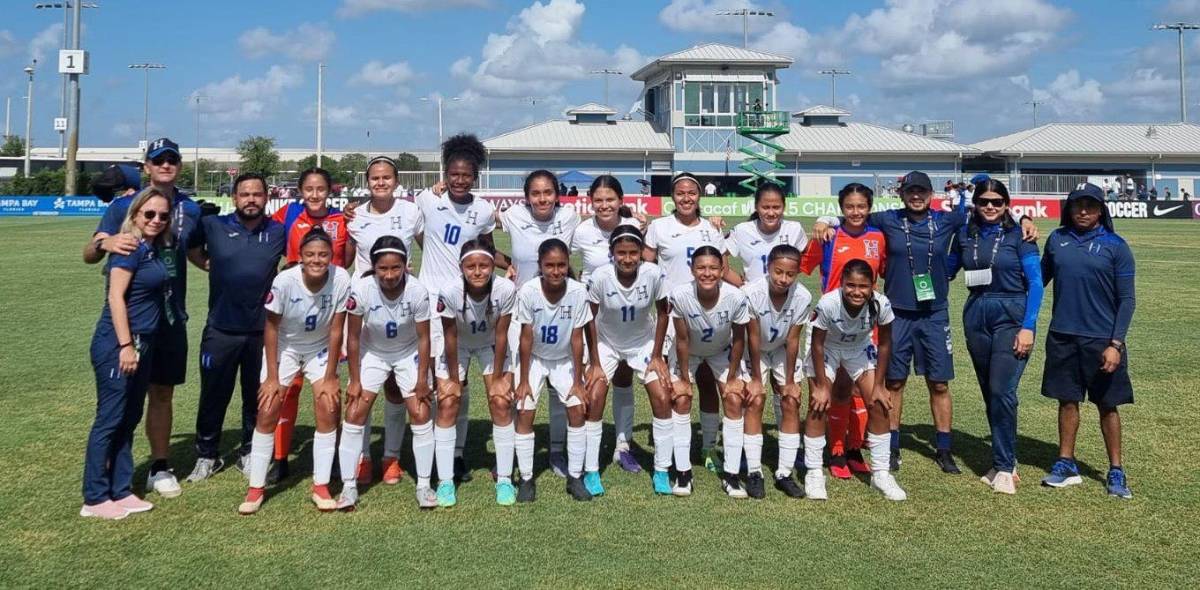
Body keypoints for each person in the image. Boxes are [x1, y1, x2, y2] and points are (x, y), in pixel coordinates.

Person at [813, 171, 1037, 475]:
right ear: (902, 194)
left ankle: (943, 448)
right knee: (894, 382)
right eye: (910, 191)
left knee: (939, 382)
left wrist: (1023, 218)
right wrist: (827, 218)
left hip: (934, 313)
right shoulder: (888, 218)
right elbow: (854, 215)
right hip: (897, 315)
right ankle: (891, 447)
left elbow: (990, 213)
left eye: (922, 191)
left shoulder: (948, 220)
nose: (916, 196)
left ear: (931, 195)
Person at [82, 138, 201, 499]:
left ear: (179, 166)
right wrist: (106, 244)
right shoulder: (124, 206)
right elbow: (90, 252)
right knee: (122, 399)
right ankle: (107, 481)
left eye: (172, 160)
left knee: (161, 392)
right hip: (133, 321)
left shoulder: (190, 209)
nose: (165, 165)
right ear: (146, 166)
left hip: (170, 316)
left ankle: (159, 467)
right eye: (158, 160)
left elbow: (196, 254)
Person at [238, 227, 351, 515]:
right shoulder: (284, 281)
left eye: (323, 254)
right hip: (286, 347)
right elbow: (272, 327)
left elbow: (337, 329)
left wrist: (330, 376)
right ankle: (256, 488)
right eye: (311, 254)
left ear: (331, 256)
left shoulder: (340, 278)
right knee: (268, 408)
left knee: (328, 406)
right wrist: (274, 377)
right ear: (300, 257)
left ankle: (321, 486)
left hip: (320, 347)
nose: (317, 260)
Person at [415, 135, 506, 482]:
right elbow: (419, 234)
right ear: (445, 172)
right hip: (431, 304)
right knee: (439, 382)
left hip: (468, 305)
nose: (459, 180)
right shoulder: (427, 199)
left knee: (458, 382)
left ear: (475, 177)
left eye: (466, 175)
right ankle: (431, 449)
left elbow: (486, 250)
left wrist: (506, 264)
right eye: (453, 173)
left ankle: (454, 455)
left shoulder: (483, 210)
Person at [184, 173, 285, 482]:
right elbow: (191, 248)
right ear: (234, 197)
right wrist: (207, 264)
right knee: (213, 394)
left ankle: (249, 452)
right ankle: (207, 455)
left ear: (267, 198)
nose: (251, 199)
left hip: (262, 331)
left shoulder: (279, 231)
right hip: (221, 328)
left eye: (257, 194)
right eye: (245, 194)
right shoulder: (214, 225)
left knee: (256, 396)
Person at [80, 188, 172, 519]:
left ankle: (120, 489)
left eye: (162, 216)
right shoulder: (128, 247)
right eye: (149, 214)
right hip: (119, 344)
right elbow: (115, 298)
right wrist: (125, 345)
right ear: (134, 215)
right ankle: (94, 496)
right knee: (110, 418)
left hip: (142, 344)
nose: (156, 220)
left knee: (130, 417)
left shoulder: (152, 248)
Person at [1039, 183, 1136, 499]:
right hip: (1063, 336)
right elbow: (1038, 281)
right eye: (1077, 205)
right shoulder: (1057, 240)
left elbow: (1127, 300)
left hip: (1102, 341)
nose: (1083, 211)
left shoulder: (1116, 246)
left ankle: (1116, 470)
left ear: (1100, 210)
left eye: (1090, 206)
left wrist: (1116, 344)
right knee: (1067, 401)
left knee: (1107, 406)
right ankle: (1066, 463)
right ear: (1068, 208)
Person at [947, 179, 1043, 494]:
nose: (990, 206)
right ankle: (1005, 461)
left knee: (1004, 390)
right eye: (984, 200)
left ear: (1007, 205)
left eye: (997, 201)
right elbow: (946, 270)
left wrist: (1028, 326)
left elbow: (1037, 284)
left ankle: (1004, 465)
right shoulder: (965, 234)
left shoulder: (1021, 235)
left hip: (1011, 313)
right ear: (976, 203)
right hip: (976, 313)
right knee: (990, 392)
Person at [644, 172, 737, 472]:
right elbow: (647, 268)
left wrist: (751, 289)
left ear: (699, 196)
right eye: (681, 193)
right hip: (673, 318)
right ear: (673, 196)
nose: (686, 198)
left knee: (709, 381)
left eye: (692, 193)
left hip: (710, 316)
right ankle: (673, 446)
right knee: (676, 386)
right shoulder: (658, 227)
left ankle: (709, 447)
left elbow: (725, 270)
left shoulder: (711, 229)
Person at [265, 167, 350, 485]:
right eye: (309, 189)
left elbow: (349, 258)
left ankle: (336, 457)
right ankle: (280, 458)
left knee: (329, 389)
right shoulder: (288, 214)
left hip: (329, 311)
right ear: (300, 191)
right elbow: (264, 238)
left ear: (330, 191)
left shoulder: (343, 220)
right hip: (294, 310)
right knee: (289, 389)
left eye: (321, 189)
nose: (315, 194)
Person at [343, 156, 423, 486]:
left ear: (396, 180)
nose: (381, 182)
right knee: (362, 388)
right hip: (366, 309)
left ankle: (391, 457)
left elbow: (428, 249)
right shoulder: (355, 215)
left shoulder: (410, 212)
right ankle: (362, 459)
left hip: (400, 306)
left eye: (386, 177)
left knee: (393, 389)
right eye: (375, 178)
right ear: (367, 181)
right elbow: (345, 259)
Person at [339, 237, 434, 510]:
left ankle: (424, 484)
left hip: (407, 351)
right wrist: (355, 380)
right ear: (373, 267)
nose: (390, 275)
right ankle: (348, 487)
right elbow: (354, 337)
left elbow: (424, 338)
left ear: (406, 266)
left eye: (396, 268)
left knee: (419, 411)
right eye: (383, 269)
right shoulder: (361, 290)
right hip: (374, 351)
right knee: (356, 409)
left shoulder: (417, 291)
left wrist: (421, 379)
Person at [499, 170, 583, 478]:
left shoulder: (570, 216)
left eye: (548, 192)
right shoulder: (513, 215)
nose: (542, 198)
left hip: (559, 309)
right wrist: (504, 263)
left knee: (559, 386)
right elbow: (479, 231)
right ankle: (509, 457)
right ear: (526, 197)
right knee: (516, 386)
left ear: (557, 194)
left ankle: (558, 451)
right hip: (522, 313)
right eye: (536, 193)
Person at [800, 183, 886, 478]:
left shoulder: (878, 237)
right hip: (833, 326)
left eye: (861, 206)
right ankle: (836, 448)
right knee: (838, 390)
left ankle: (855, 447)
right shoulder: (829, 235)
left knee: (863, 393)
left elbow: (887, 270)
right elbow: (803, 265)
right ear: (841, 208)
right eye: (849, 206)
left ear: (869, 208)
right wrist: (822, 224)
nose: (855, 212)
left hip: (865, 325)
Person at [803, 260, 902, 500]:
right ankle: (814, 472)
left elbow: (886, 342)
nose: (856, 291)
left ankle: (881, 474)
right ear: (841, 284)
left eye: (863, 286)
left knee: (879, 404)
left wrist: (879, 386)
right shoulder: (829, 303)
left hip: (859, 347)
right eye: (850, 285)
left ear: (873, 286)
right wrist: (821, 387)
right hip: (827, 348)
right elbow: (816, 344)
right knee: (819, 404)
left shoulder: (881, 304)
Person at [586, 226, 674, 493]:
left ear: (641, 253)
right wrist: (595, 362)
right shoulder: (601, 276)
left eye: (633, 253)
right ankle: (591, 471)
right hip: (607, 342)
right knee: (595, 395)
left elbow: (662, 313)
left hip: (642, 342)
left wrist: (658, 356)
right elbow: (588, 318)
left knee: (661, 396)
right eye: (621, 253)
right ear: (611, 253)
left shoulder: (653, 273)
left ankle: (661, 470)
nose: (627, 258)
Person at [512, 239, 601, 502]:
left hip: (564, 360)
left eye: (561, 265)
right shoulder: (528, 291)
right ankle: (526, 479)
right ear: (540, 266)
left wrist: (577, 380)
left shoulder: (577, 291)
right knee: (525, 409)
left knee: (576, 407)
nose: (555, 271)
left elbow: (577, 338)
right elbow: (526, 338)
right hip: (535, 359)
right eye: (549, 265)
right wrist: (524, 380)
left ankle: (575, 477)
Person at [570, 175, 644, 471]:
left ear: (621, 201)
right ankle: (588, 447)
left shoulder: (634, 227)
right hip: (593, 316)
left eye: (610, 199)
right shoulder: (581, 231)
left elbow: (649, 261)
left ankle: (622, 445)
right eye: (598, 200)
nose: (604, 205)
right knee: (595, 381)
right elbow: (561, 258)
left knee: (623, 379)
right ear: (591, 202)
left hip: (627, 315)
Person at [435, 239, 518, 505]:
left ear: (493, 265)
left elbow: (502, 334)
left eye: (484, 265)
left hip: (490, 343)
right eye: (471, 266)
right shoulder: (449, 291)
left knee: (501, 401)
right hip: (457, 345)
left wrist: (496, 381)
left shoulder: (505, 289)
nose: (478, 271)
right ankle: (446, 481)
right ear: (461, 267)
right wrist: (451, 378)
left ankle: (504, 478)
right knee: (448, 402)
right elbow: (448, 336)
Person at [668, 246, 752, 497]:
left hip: (721, 351)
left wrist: (733, 376)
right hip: (689, 351)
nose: (707, 273)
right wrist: (684, 378)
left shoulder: (736, 297)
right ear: (692, 270)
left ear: (722, 270)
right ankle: (683, 474)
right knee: (681, 399)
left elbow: (739, 339)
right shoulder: (680, 294)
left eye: (714, 268)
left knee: (734, 399)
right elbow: (682, 340)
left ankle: (732, 476)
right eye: (701, 268)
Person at [740, 245, 812, 498]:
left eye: (790, 274)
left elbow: (793, 340)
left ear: (797, 274)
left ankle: (784, 472)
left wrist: (790, 381)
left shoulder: (802, 296)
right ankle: (754, 471)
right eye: (778, 272)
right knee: (755, 400)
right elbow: (752, 335)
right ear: (768, 268)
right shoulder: (751, 293)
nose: (783, 279)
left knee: (791, 400)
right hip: (754, 349)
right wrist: (757, 379)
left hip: (781, 348)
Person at [726, 183, 808, 286]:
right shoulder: (742, 230)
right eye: (765, 207)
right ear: (756, 206)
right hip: (753, 299)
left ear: (784, 207)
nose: (771, 213)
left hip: (785, 297)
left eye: (776, 207)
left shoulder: (794, 229)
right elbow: (719, 255)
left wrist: (791, 272)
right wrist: (741, 284)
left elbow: (808, 255)